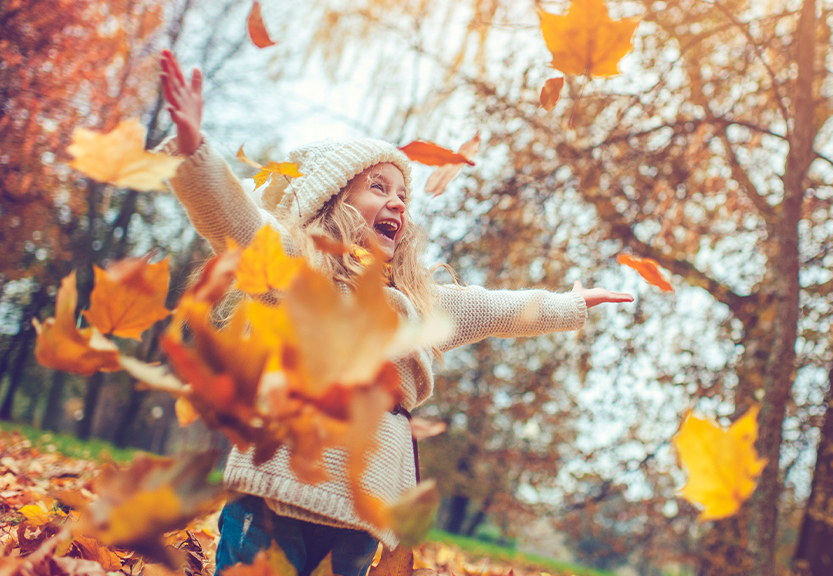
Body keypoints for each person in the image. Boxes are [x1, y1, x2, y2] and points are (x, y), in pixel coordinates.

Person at [158, 50, 633, 576]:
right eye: (378, 188)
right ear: (332, 204)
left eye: (404, 195)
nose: (398, 204)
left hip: (366, 508)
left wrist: (569, 304)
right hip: (280, 493)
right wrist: (192, 149)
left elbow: (498, 308)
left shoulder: (416, 305)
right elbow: (238, 222)